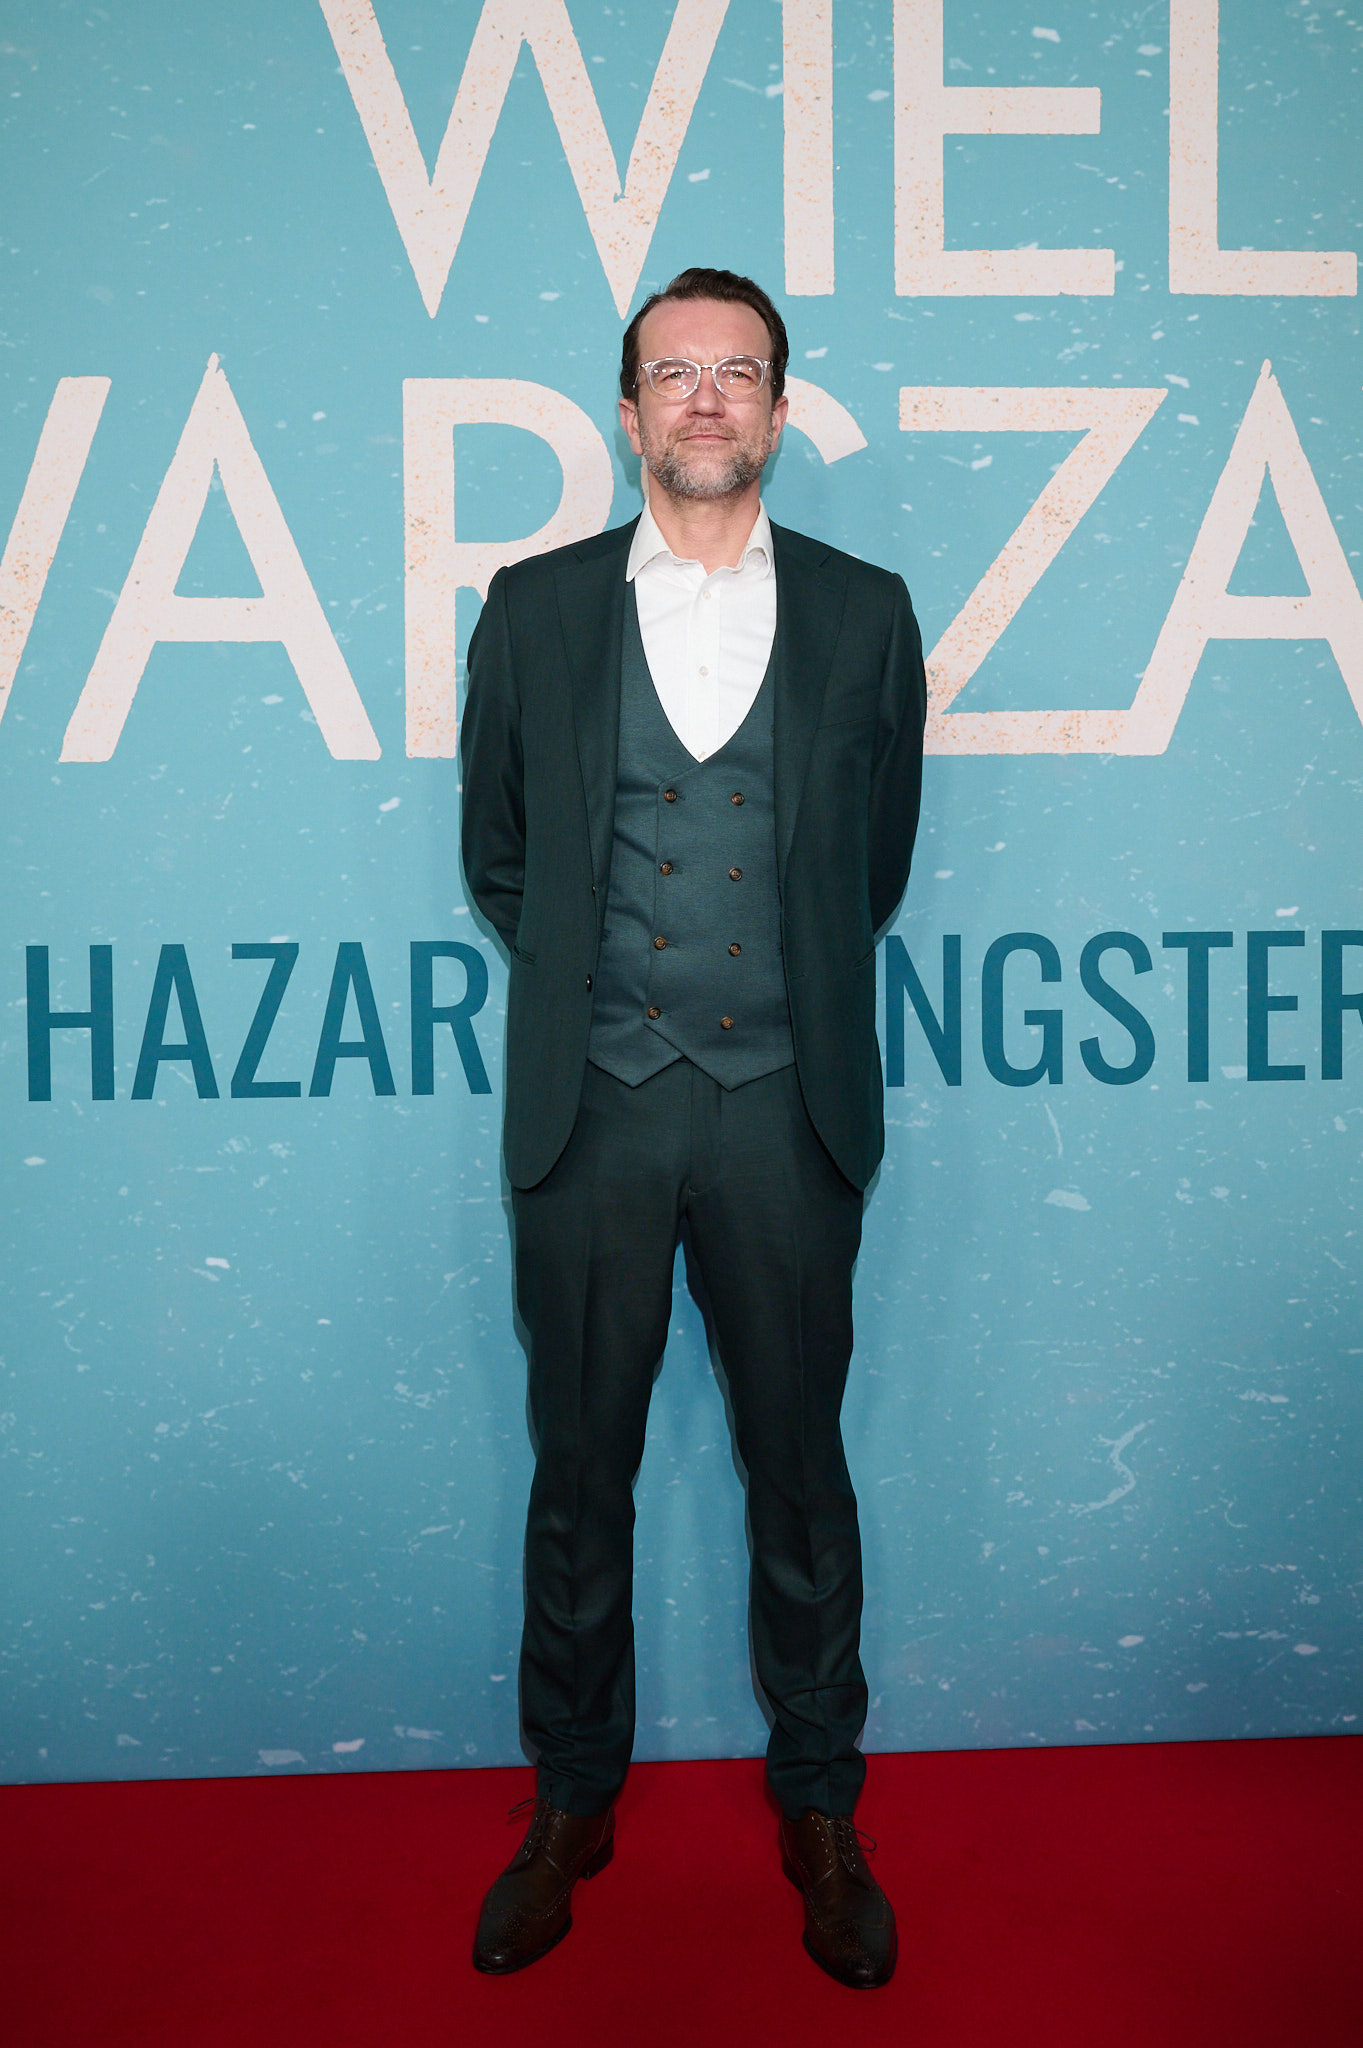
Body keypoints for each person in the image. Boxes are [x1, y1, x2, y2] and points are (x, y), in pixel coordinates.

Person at [460, 267, 927, 1989]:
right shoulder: (535, 607)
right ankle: (571, 1803)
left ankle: (821, 1809)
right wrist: (607, 1001)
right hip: (593, 1112)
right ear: (630, 410)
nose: (708, 396)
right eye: (676, 372)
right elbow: (499, 855)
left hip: (787, 1114)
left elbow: (872, 859)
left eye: (741, 370)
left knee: (801, 1479)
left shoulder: (867, 613)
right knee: (578, 1478)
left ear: (781, 411)